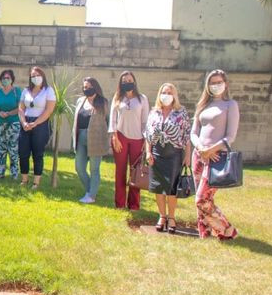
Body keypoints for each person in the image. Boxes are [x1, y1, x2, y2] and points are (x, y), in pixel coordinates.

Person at [191, 69, 240, 240]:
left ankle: (227, 229)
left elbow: (230, 136)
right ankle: (204, 232)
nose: (216, 85)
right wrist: (200, 148)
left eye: (219, 82)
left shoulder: (230, 105)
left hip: (216, 158)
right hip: (198, 155)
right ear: (208, 86)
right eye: (212, 83)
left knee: (201, 198)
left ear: (225, 84)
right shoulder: (203, 105)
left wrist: (210, 150)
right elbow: (193, 133)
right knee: (201, 200)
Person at [144, 83, 191, 232]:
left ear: (174, 95)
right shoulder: (154, 112)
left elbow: (187, 135)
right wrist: (148, 152)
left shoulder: (181, 113)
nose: (166, 95)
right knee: (158, 187)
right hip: (157, 153)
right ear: (159, 94)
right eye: (164, 92)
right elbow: (147, 134)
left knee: (171, 188)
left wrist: (188, 155)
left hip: (174, 155)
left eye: (169, 92)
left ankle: (171, 217)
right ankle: (162, 216)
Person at [109, 70, 150, 210]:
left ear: (134, 81)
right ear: (121, 83)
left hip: (138, 139)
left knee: (135, 173)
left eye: (130, 80)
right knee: (120, 171)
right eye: (124, 81)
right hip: (120, 137)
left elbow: (145, 121)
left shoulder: (142, 99)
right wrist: (114, 137)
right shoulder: (117, 98)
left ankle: (134, 205)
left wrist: (145, 140)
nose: (127, 83)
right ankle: (119, 204)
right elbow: (112, 120)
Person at [18, 66, 56, 189]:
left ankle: (36, 182)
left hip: (41, 124)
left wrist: (36, 123)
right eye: (33, 76)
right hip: (26, 123)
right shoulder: (26, 91)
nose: (35, 78)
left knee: (37, 154)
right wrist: (24, 123)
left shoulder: (48, 90)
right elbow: (21, 108)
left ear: (43, 76)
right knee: (23, 153)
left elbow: (49, 110)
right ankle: (24, 180)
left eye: (37, 75)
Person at [72, 77, 110, 203]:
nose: (86, 89)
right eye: (84, 87)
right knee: (79, 167)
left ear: (95, 87)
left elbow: (107, 121)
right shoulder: (80, 101)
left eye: (88, 87)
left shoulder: (103, 102)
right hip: (81, 138)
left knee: (94, 169)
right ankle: (90, 190)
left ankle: (92, 196)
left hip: (96, 139)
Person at [0, 69, 21, 179]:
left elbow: (20, 107)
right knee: (1, 148)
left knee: (13, 148)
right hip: (1, 123)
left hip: (13, 123)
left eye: (8, 78)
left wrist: (9, 113)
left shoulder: (16, 91)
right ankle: (0, 172)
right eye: (3, 78)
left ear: (12, 79)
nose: (5, 80)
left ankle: (14, 173)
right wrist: (0, 112)